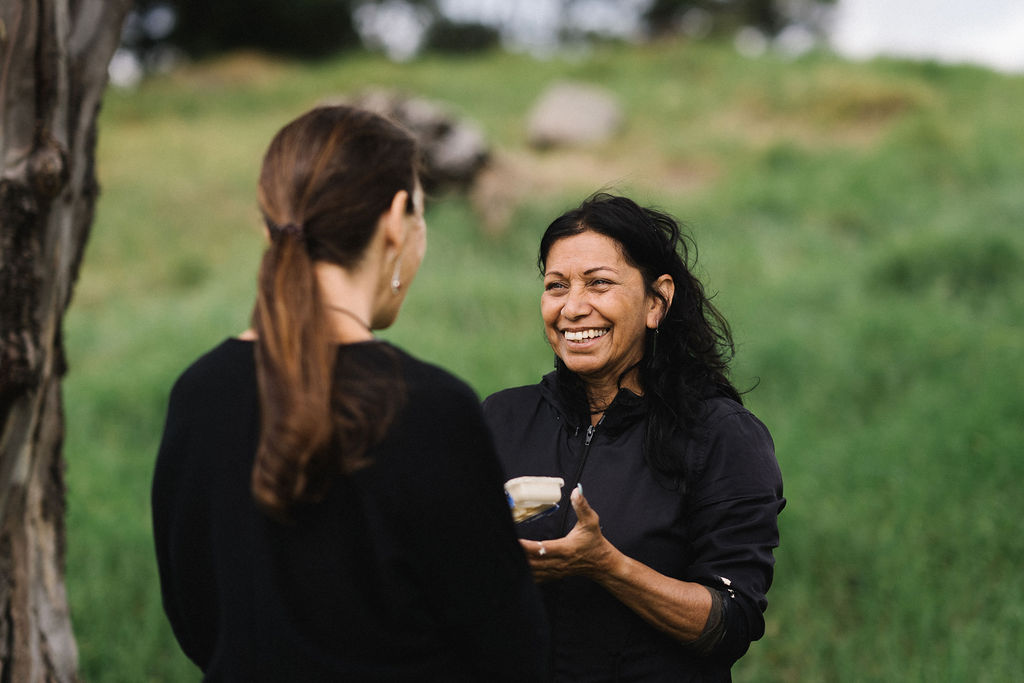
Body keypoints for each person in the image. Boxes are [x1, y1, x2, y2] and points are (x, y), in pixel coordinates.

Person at [151, 105, 548, 681]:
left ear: (269, 227)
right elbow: (511, 651)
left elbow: (196, 622)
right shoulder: (430, 406)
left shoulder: (199, 393)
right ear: (395, 220)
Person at [482, 193, 785, 682]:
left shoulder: (721, 436)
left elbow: (732, 622)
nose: (573, 307)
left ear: (656, 301)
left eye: (599, 283)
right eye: (556, 286)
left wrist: (607, 566)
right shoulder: (503, 417)